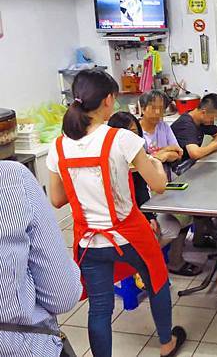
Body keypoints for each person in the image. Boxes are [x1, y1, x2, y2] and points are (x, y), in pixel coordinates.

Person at [46, 69, 186, 357]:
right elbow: (159, 185)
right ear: (109, 100)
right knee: (156, 281)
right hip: (129, 235)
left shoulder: (58, 145)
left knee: (100, 306)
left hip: (88, 242)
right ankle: (166, 343)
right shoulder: (121, 138)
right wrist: (156, 163)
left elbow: (57, 199)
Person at [0, 161, 82, 357]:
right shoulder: (11, 178)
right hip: (24, 348)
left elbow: (57, 198)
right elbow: (62, 297)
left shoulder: (59, 148)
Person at [108, 112, 201, 277]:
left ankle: (161, 259)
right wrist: (157, 160)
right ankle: (142, 262)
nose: (133, 136)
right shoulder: (121, 160)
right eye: (129, 132)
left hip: (140, 209)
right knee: (172, 225)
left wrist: (149, 216)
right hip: (122, 221)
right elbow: (159, 186)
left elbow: (175, 154)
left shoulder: (139, 150)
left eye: (136, 132)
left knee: (182, 217)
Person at [171, 93, 217, 248]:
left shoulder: (202, 120)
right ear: (204, 112)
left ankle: (204, 233)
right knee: (209, 190)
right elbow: (195, 153)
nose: (213, 121)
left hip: (191, 167)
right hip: (176, 173)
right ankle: (205, 230)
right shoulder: (186, 124)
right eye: (213, 117)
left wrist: (210, 147)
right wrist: (215, 146)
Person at [138, 90, 183, 180]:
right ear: (143, 109)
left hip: (167, 177)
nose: (158, 112)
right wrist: (166, 150)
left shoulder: (164, 126)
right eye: (153, 108)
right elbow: (142, 162)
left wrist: (165, 155)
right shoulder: (135, 130)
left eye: (161, 108)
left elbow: (178, 153)